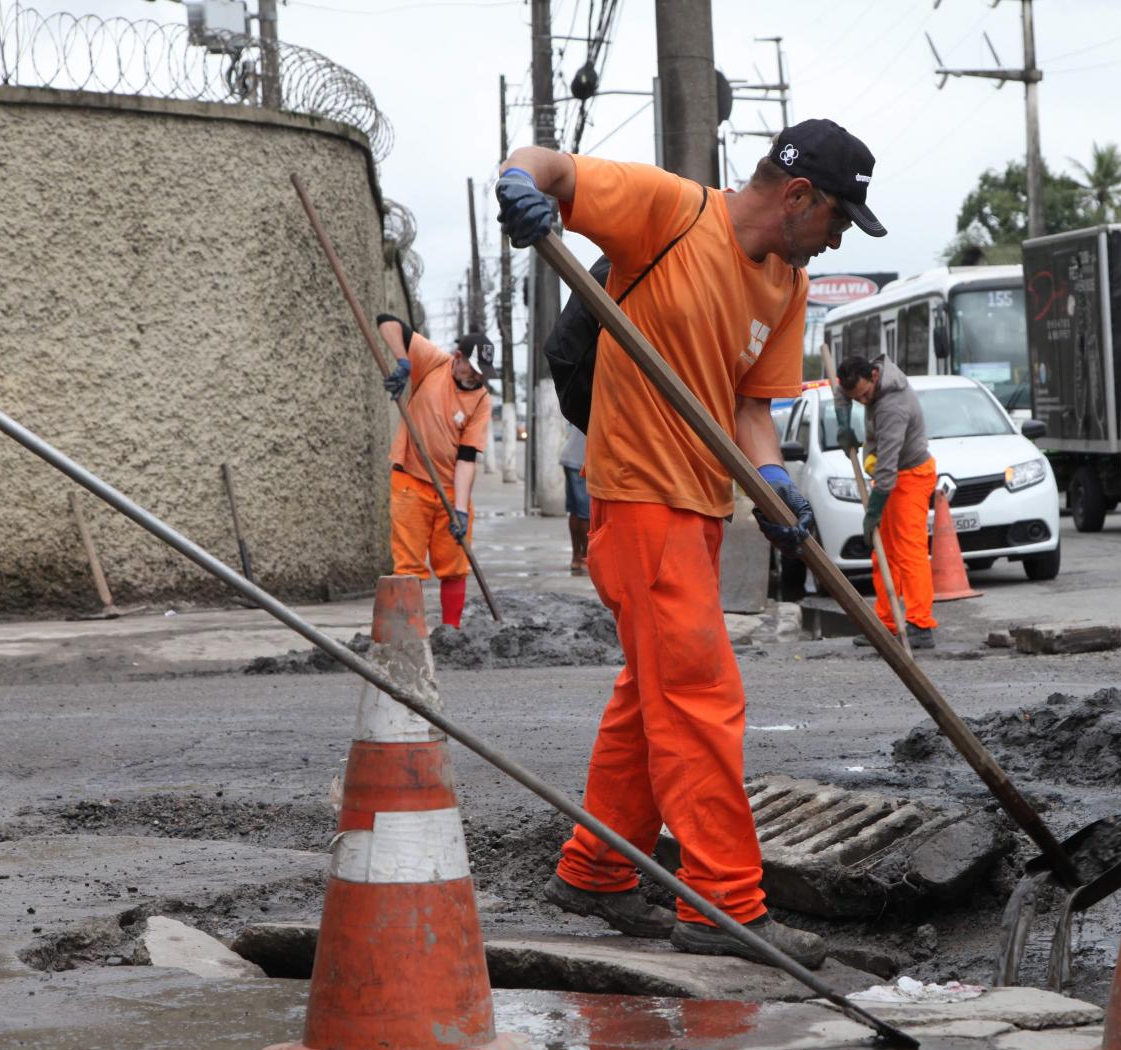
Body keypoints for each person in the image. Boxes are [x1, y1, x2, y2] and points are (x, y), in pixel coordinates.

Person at [496, 119, 886, 968]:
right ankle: (723, 906)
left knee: (654, 698)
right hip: (637, 500)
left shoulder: (785, 283)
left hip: (702, 509)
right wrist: (518, 184)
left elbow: (751, 407)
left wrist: (772, 485)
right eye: (839, 219)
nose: (837, 238)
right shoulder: (668, 214)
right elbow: (548, 165)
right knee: (702, 698)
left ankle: (596, 869)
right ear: (797, 197)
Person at [374, 315, 494, 629]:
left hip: (452, 488)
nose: (478, 378)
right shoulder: (432, 363)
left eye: (483, 373)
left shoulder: (481, 399)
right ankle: (408, 634)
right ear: (458, 359)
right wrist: (402, 362)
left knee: (454, 565)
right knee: (408, 566)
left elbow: (467, 458)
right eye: (474, 369)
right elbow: (386, 321)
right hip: (410, 480)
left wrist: (460, 509)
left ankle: (451, 631)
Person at [835, 354, 938, 650]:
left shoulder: (894, 405)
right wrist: (844, 425)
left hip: (912, 475)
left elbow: (888, 466)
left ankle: (921, 624)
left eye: (865, 394)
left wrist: (873, 512)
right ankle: (887, 622)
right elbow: (840, 392)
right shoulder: (858, 383)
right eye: (857, 398)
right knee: (884, 554)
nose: (863, 401)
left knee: (910, 551)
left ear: (875, 378)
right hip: (890, 476)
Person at [558, 422, 590, 574]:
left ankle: (576, 557)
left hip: (570, 458)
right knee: (585, 513)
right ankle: (584, 558)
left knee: (576, 511)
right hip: (581, 460)